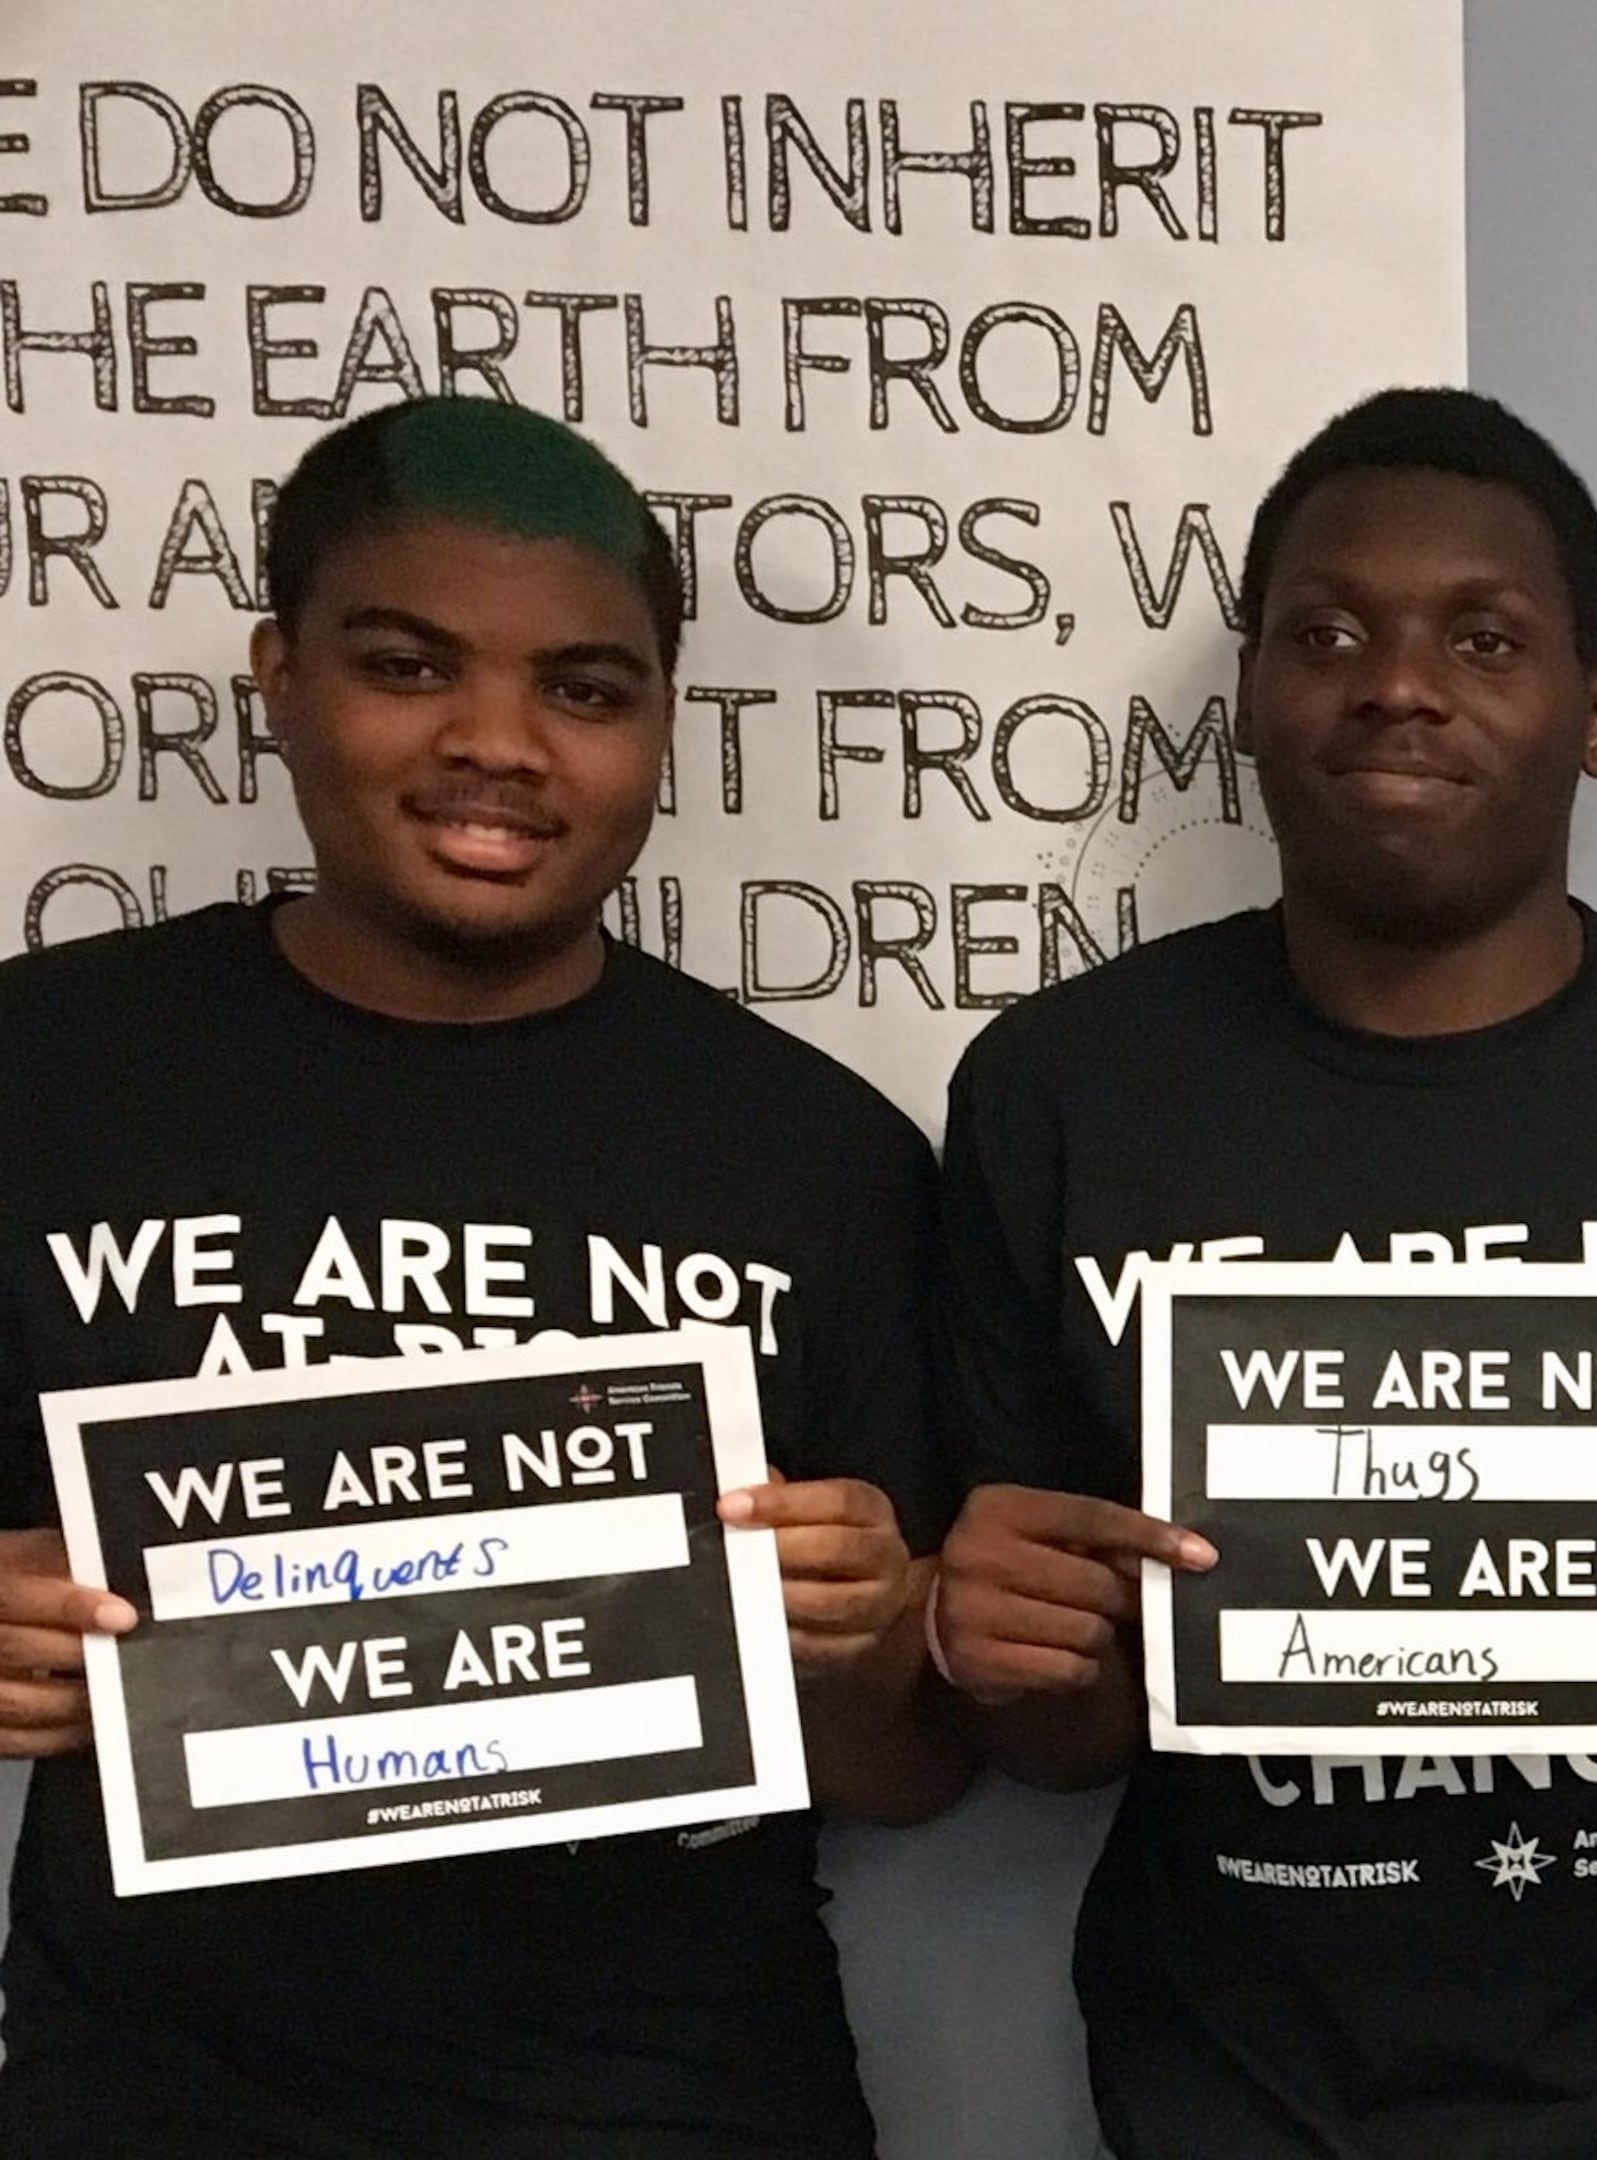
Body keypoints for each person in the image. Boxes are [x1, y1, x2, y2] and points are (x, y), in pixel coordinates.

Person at [924, 385, 1597, 2159]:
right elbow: (1065, 1739)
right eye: (1325, 633)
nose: (1398, 683)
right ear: (1250, 694)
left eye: (1485, 638)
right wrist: (994, 1635)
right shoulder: (1062, 1090)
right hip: (1238, 2095)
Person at [0, 395, 963, 2155]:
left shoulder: (819, 1154)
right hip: (151, 2103)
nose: (499, 744)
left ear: (663, 726)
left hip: (677, 2103)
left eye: (587, 690)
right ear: (277, 674)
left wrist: (872, 1641)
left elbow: (907, 1772)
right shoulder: (45, 1073)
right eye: (408, 665)